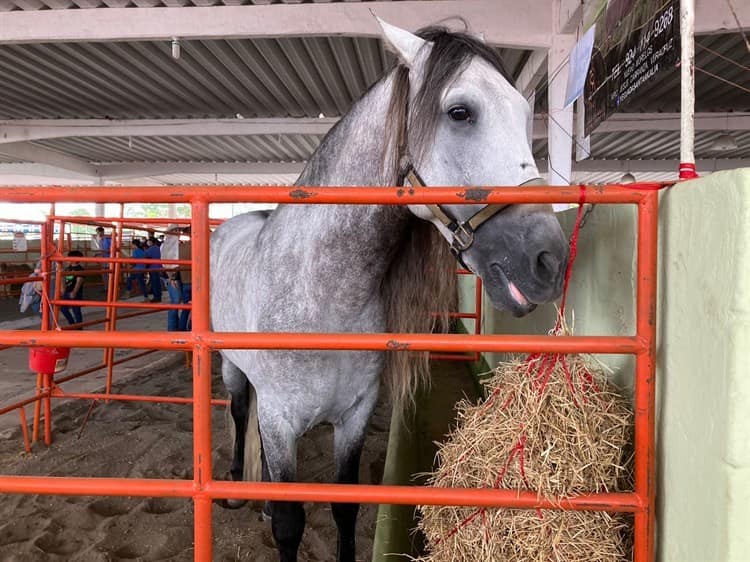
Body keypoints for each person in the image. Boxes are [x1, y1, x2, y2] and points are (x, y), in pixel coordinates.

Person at [163, 226, 192, 331]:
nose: (178, 233)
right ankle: (174, 328)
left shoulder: (177, 246)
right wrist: (172, 277)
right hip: (175, 279)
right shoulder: (169, 246)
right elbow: (167, 264)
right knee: (176, 302)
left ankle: (178, 327)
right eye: (175, 231)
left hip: (180, 278)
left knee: (182, 303)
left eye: (178, 231)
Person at [60, 250, 85, 328]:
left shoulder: (80, 269)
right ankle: (72, 324)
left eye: (70, 257)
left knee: (76, 310)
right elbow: (63, 277)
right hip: (67, 291)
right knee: (63, 309)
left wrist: (74, 291)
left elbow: (79, 280)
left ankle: (79, 327)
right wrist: (62, 288)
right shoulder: (68, 268)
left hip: (76, 292)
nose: (69, 259)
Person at [144, 236, 162, 303]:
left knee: (154, 283)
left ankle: (156, 297)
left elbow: (146, 257)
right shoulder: (158, 248)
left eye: (149, 241)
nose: (148, 242)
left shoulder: (150, 249)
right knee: (158, 283)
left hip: (152, 268)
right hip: (158, 267)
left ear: (151, 242)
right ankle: (159, 296)